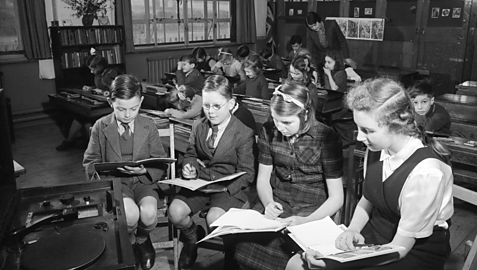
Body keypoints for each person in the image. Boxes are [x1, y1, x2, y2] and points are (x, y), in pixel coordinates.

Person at [301, 78, 453, 270]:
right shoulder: (376, 148)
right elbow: (369, 197)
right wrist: (352, 229)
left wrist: (336, 262)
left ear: (398, 123)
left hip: (414, 250)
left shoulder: (426, 173)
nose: (358, 137)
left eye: (367, 130)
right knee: (299, 261)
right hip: (378, 232)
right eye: (358, 128)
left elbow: (400, 248)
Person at [234, 81, 344, 270]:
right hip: (279, 204)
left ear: (305, 114)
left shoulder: (326, 137)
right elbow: (263, 179)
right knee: (242, 248)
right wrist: (268, 203)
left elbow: (337, 198)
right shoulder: (269, 130)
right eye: (276, 120)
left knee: (295, 259)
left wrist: (306, 221)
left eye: (287, 122)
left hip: (314, 209)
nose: (280, 127)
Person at [167, 75, 256, 269]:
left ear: (231, 103)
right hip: (201, 183)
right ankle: (192, 238)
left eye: (217, 106)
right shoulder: (199, 126)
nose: (211, 112)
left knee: (214, 219)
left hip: (229, 187)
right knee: (175, 212)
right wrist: (189, 168)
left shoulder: (243, 132)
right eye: (206, 106)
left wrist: (226, 188)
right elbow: (190, 154)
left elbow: (248, 172)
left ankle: (231, 256)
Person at [83, 74, 167, 270]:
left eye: (134, 108)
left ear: (141, 102)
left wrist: (145, 169)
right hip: (116, 183)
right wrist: (99, 177)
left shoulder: (148, 125)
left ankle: (142, 239)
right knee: (129, 216)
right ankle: (128, 242)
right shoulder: (100, 126)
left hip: (143, 181)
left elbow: (160, 161)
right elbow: (90, 162)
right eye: (121, 109)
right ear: (110, 102)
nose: (128, 114)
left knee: (148, 214)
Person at [56, 54, 118, 151]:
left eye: (93, 69)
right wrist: (91, 88)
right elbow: (100, 88)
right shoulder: (98, 75)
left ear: (100, 67)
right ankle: (72, 141)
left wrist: (102, 92)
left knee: (85, 117)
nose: (91, 72)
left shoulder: (110, 74)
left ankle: (90, 145)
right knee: (80, 116)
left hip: (111, 105)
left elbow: (116, 90)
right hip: (101, 103)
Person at [305, 12, 356, 84]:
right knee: (323, 81)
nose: (313, 28)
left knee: (337, 80)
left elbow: (342, 40)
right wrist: (308, 58)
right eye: (311, 27)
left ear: (319, 20)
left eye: (314, 25)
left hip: (335, 56)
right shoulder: (310, 31)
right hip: (320, 57)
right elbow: (309, 46)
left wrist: (347, 57)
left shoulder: (332, 24)